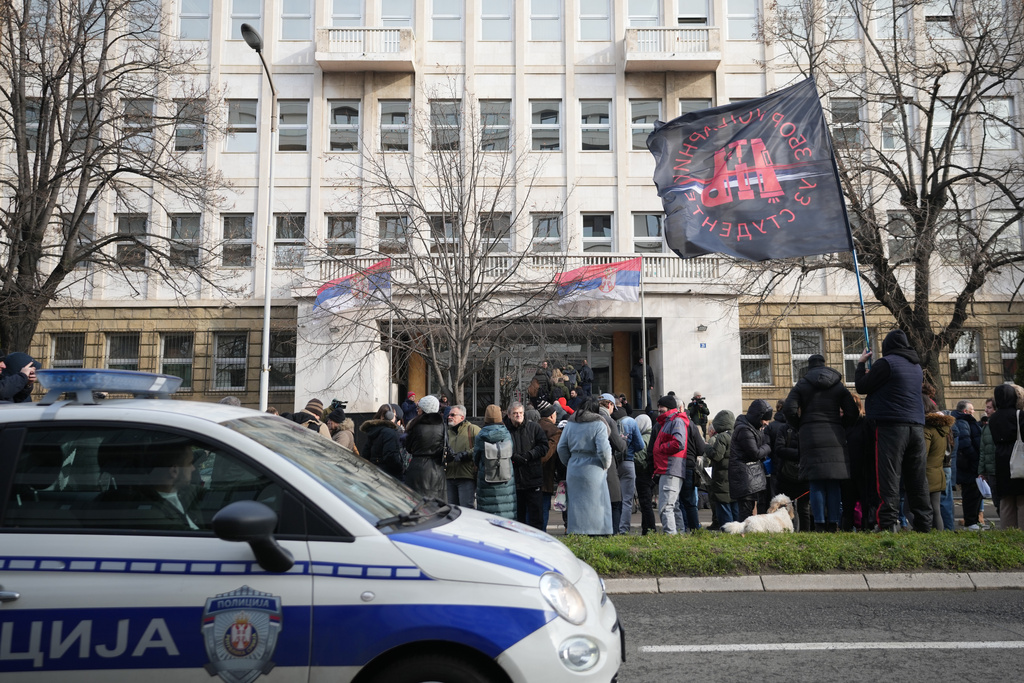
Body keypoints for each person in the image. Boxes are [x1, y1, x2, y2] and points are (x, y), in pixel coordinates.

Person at [855, 329, 932, 533]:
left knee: (888, 477)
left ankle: (887, 524)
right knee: (917, 478)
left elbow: (862, 387)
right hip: (916, 426)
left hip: (891, 426)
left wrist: (861, 364)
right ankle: (924, 524)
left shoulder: (886, 363)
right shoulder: (916, 366)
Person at [783, 354, 858, 532]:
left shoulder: (802, 384)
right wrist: (841, 425)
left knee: (815, 483)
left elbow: (788, 409)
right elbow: (852, 412)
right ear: (825, 365)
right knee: (833, 483)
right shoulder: (838, 386)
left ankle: (819, 524)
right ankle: (833, 523)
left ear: (809, 368)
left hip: (811, 437)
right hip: (835, 437)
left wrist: (801, 425)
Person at [94, 441, 201, 531]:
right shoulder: (147, 511)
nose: (193, 468)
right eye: (190, 463)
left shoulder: (184, 491)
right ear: (174, 471)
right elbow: (194, 541)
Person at [557, 398, 614, 535]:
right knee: (598, 506)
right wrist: (606, 465)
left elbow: (561, 448)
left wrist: (570, 462)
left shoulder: (571, 423)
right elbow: (604, 450)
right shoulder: (599, 424)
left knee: (576, 506)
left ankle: (576, 532)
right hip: (594, 468)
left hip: (574, 468)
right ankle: (599, 532)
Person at [504, 401, 549, 530]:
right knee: (518, 517)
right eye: (515, 413)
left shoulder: (534, 428)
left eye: (520, 413)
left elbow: (544, 446)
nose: (518, 415)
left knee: (536, 517)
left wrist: (529, 455)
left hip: (533, 478)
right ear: (509, 415)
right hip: (513, 479)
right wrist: (513, 457)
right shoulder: (504, 430)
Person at [729, 399, 773, 522]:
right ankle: (743, 537)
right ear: (757, 417)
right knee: (746, 512)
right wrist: (768, 446)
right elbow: (755, 453)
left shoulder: (752, 427)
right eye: (765, 419)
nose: (767, 423)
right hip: (745, 477)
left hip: (751, 476)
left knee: (752, 510)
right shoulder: (744, 430)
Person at [652, 395, 691, 534]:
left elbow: (679, 443)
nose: (658, 410)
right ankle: (678, 537)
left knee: (666, 507)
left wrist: (661, 448)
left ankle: (671, 538)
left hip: (670, 468)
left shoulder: (676, 421)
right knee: (673, 506)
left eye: (661, 408)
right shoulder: (669, 422)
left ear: (668, 408)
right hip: (668, 469)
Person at [988, 384, 1024, 529]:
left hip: (1001, 460)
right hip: (1019, 458)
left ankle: (1007, 535)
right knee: (1022, 500)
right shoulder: (1019, 415)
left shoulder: (993, 418)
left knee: (1006, 502)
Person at [473, 405, 516, 519]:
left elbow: (476, 457)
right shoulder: (507, 434)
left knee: (487, 517)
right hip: (506, 479)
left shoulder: (480, 436)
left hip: (486, 478)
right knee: (506, 513)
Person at [404, 396, 448, 501]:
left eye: (419, 407)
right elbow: (446, 446)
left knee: (415, 503)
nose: (417, 409)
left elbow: (409, 447)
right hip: (437, 469)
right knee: (437, 505)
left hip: (417, 468)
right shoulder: (443, 426)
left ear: (424, 409)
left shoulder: (415, 425)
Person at [923, 387, 954, 531]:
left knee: (912, 508)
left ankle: (928, 534)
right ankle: (942, 535)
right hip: (941, 469)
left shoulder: (927, 430)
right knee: (938, 509)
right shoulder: (944, 427)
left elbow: (923, 452)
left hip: (928, 472)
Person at [612, 400, 645, 534]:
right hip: (628, 462)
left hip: (613, 464)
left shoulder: (610, 421)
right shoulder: (631, 422)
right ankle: (623, 529)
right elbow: (640, 445)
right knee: (627, 499)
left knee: (614, 498)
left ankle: (613, 526)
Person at [951, 400, 984, 530]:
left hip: (968, 466)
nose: (974, 412)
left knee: (974, 494)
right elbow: (965, 444)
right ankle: (971, 522)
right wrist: (976, 459)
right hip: (969, 466)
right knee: (971, 494)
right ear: (965, 411)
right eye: (972, 410)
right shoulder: (963, 422)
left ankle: (973, 521)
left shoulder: (961, 421)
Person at [774, 421, 811, 531]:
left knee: (803, 508)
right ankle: (792, 532)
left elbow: (780, 449)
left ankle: (802, 533)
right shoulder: (785, 429)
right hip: (789, 476)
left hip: (797, 475)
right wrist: (801, 454)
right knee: (787, 509)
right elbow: (779, 449)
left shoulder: (785, 429)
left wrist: (792, 453)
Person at [704, 409, 737, 531]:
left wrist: (706, 447)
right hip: (734, 477)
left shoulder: (723, 437)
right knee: (735, 507)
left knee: (723, 507)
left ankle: (727, 534)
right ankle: (737, 534)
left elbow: (717, 456)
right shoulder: (737, 434)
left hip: (722, 478)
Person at [445, 404, 480, 509]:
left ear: (462, 417)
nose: (449, 417)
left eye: (452, 415)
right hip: (449, 476)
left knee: (466, 509)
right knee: (452, 511)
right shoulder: (447, 433)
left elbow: (481, 447)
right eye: (449, 415)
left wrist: (466, 454)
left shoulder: (473, 429)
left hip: (466, 476)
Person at [537, 404, 563, 528]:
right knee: (543, 511)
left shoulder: (533, 426)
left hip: (528, 477)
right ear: (552, 415)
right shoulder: (555, 431)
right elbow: (546, 455)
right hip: (545, 477)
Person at [361, 405, 404, 478]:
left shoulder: (373, 430)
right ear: (389, 416)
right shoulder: (390, 432)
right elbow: (391, 456)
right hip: (388, 474)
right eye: (394, 415)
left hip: (375, 472)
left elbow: (365, 453)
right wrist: (400, 469)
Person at [633, 413, 657, 535]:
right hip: (650, 473)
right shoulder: (652, 435)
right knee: (646, 502)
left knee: (645, 503)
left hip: (643, 473)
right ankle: (646, 529)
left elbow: (639, 457)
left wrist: (630, 456)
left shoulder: (643, 438)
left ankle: (650, 529)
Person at [979, 397, 999, 517]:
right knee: (997, 502)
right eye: (986, 407)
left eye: (989, 407)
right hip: (991, 470)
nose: (986, 410)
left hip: (999, 469)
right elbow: (983, 450)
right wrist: (981, 471)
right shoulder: (986, 426)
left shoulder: (994, 425)